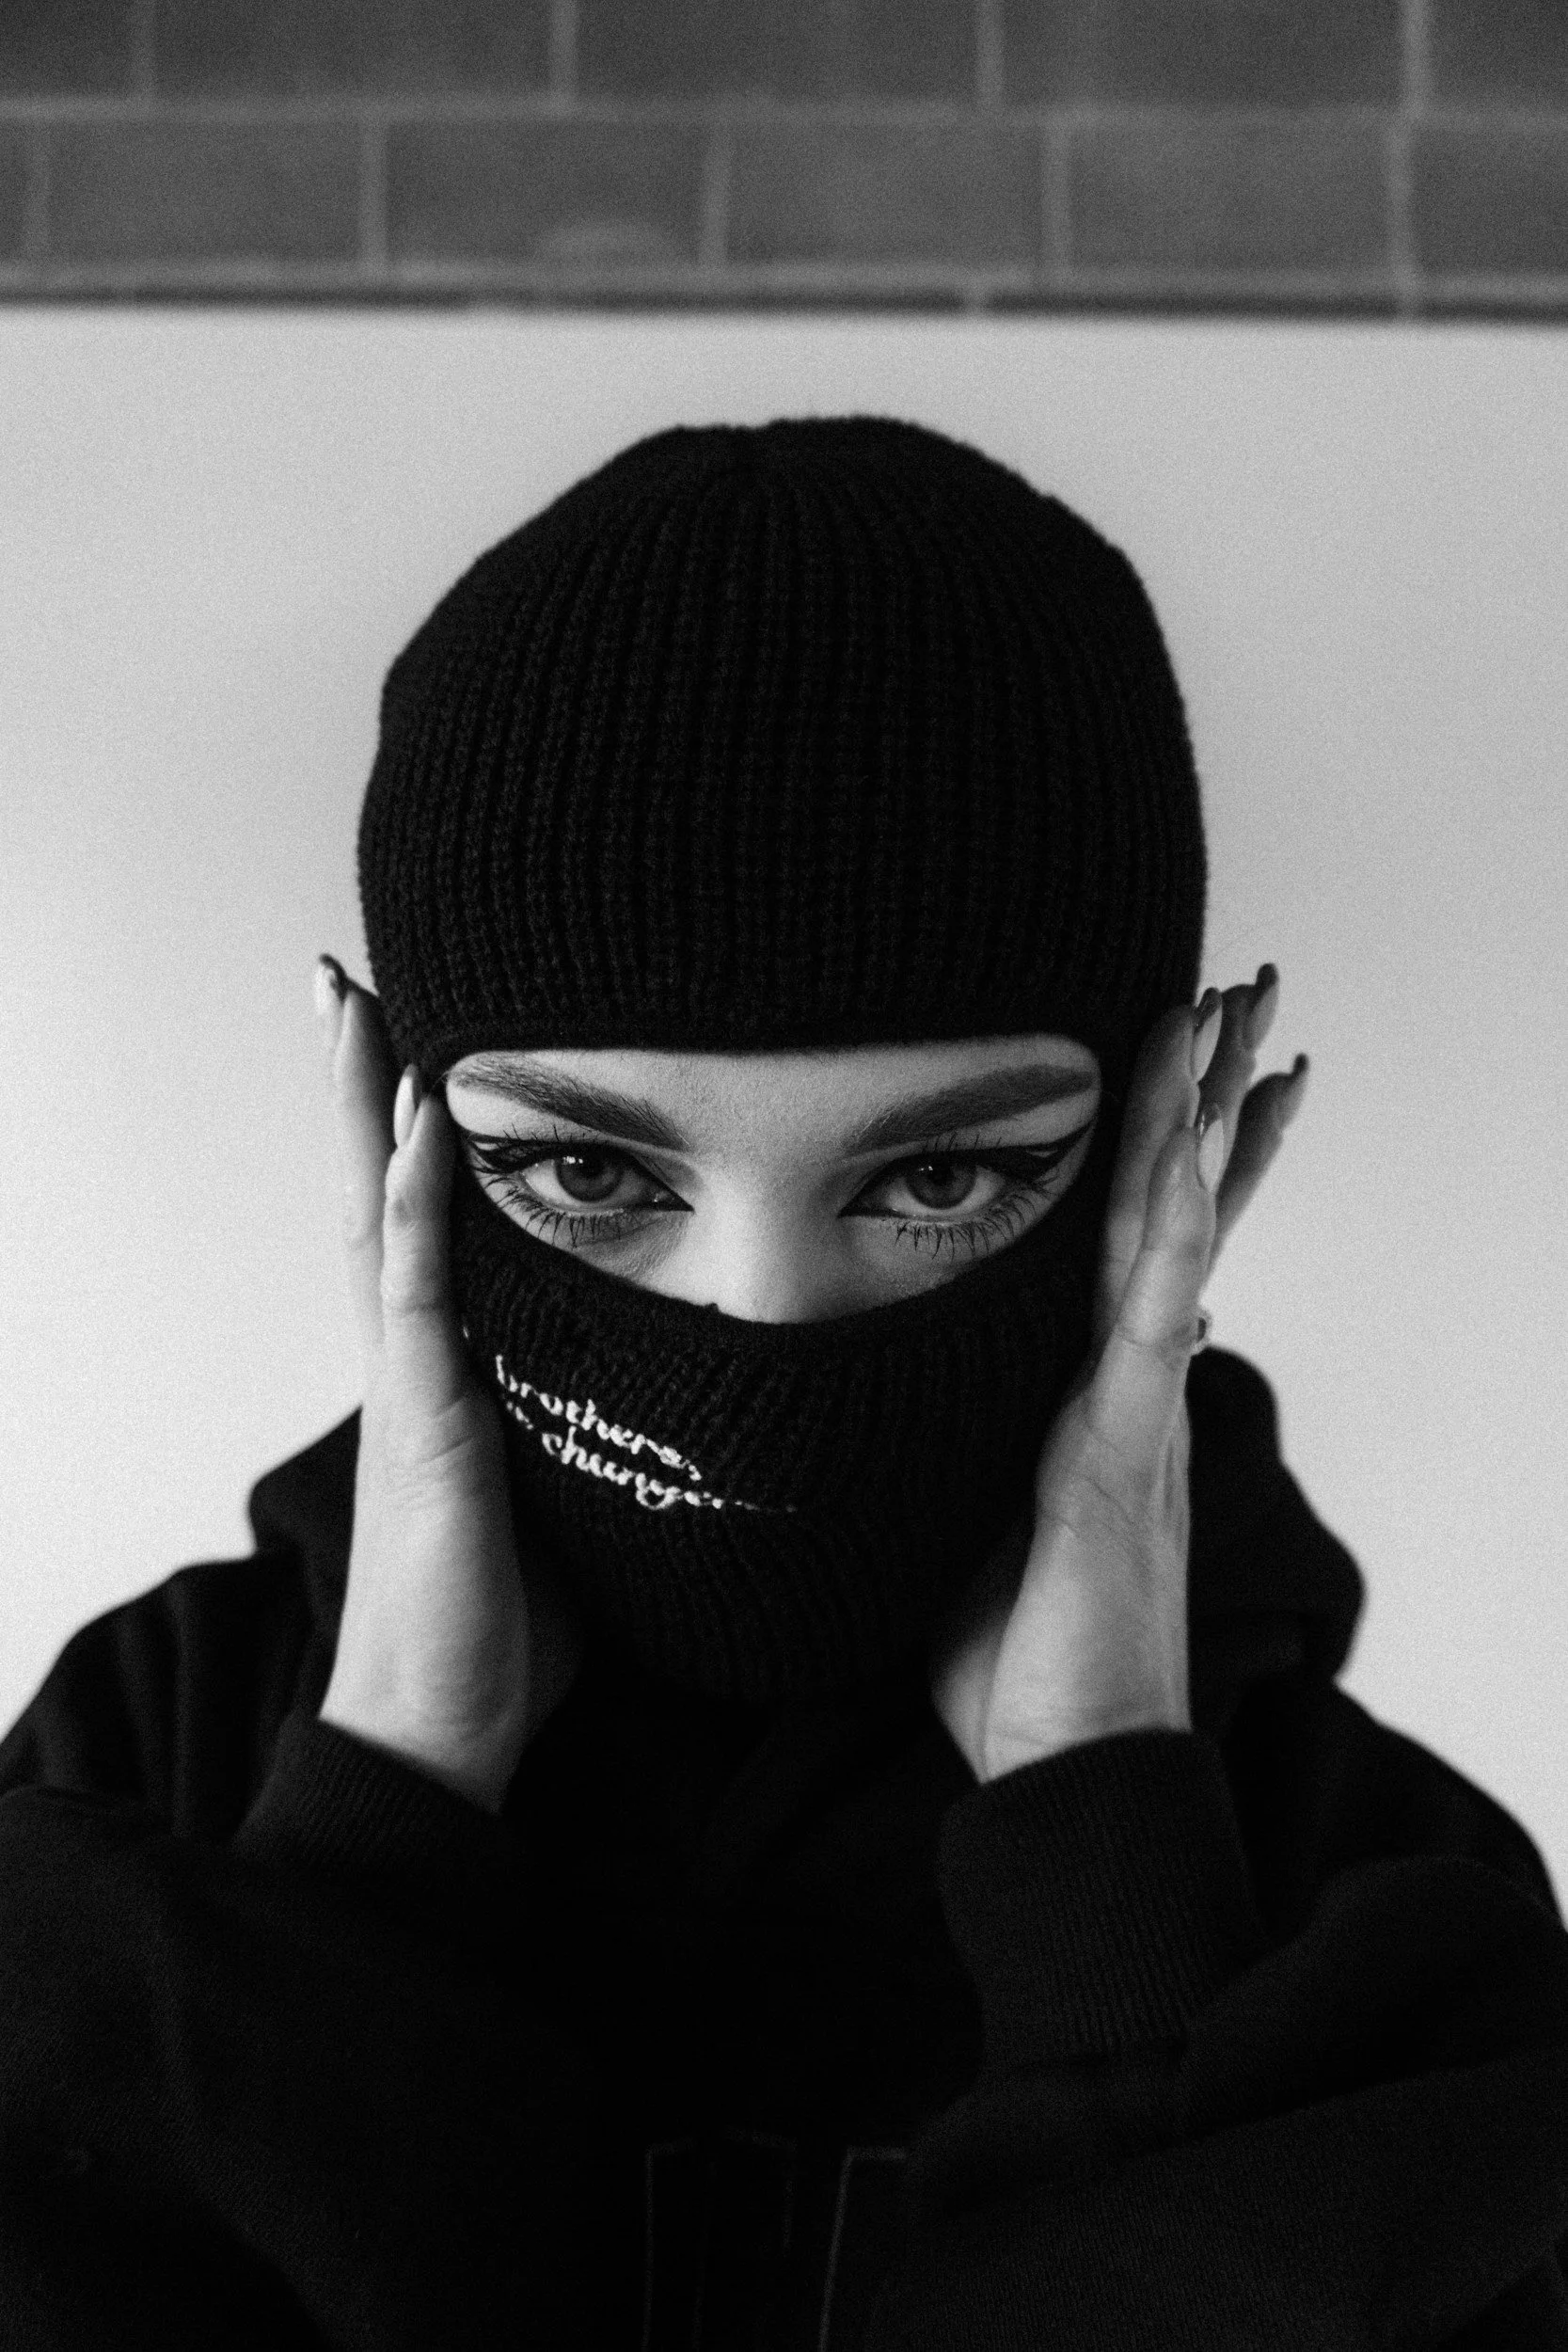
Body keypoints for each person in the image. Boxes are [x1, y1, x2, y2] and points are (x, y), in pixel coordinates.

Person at [2, 418, 1564, 2350]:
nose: (757, 1327)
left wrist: (1113, 1889)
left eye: (938, 1180)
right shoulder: (141, 1775)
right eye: (589, 1176)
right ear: (401, 1143)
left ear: (1158, 1148)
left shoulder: (1360, 1904)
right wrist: (368, 1826)